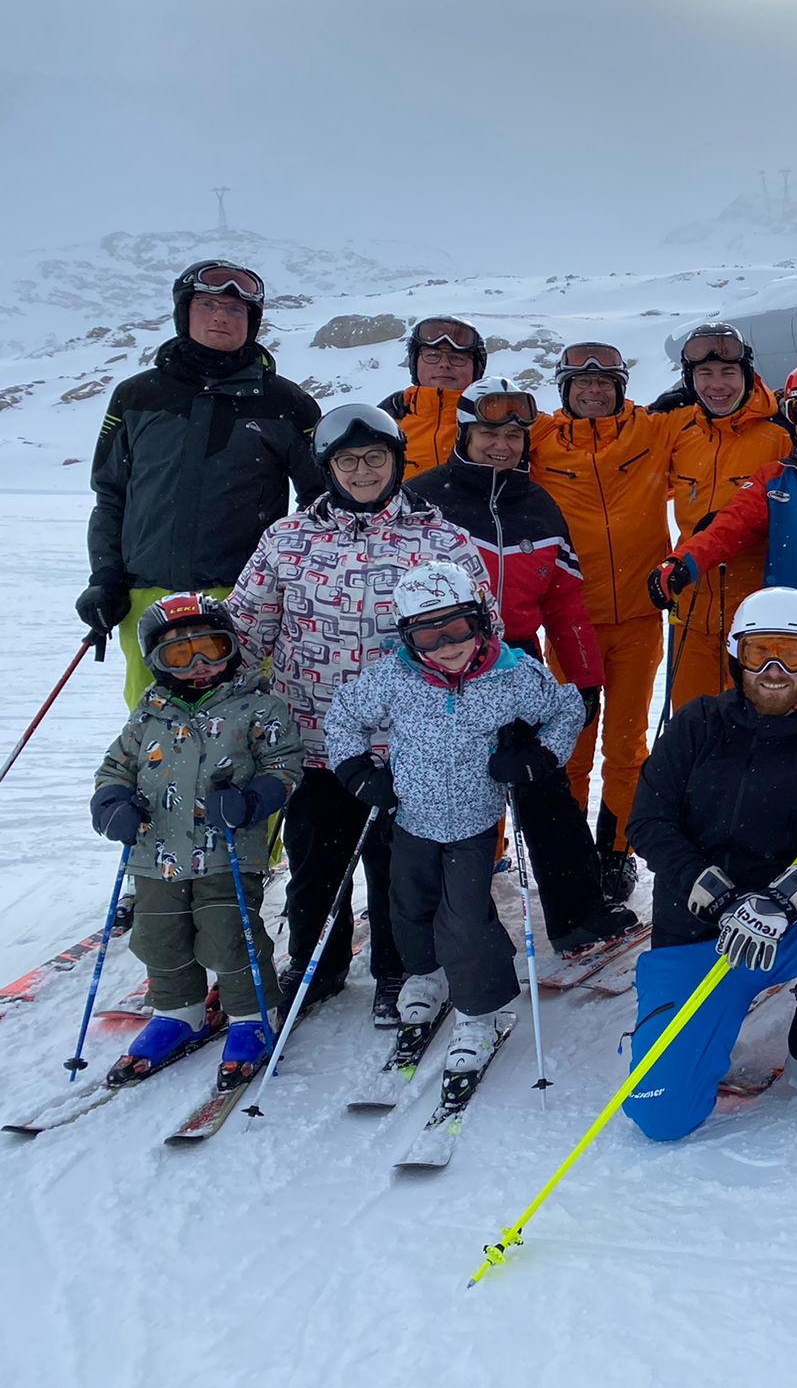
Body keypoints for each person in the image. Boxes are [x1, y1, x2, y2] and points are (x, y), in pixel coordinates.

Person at [226, 404, 496, 1023]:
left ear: (398, 460)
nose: (363, 470)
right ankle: (315, 965)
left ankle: (399, 968)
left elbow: (483, 636)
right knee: (316, 859)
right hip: (314, 735)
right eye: (347, 460)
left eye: (376, 457)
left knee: (400, 866)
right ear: (327, 469)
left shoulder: (442, 540)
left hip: (412, 744)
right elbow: (246, 630)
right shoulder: (288, 540)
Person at [622, 589, 797, 1142]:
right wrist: (721, 899)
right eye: (758, 653)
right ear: (736, 657)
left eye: (791, 654)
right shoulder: (696, 724)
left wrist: (781, 902)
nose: (774, 671)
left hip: (778, 933)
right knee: (662, 1118)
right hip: (697, 941)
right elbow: (649, 822)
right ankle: (689, 1034)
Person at [408, 373, 635, 952]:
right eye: (489, 433)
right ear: (464, 433)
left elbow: (565, 603)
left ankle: (578, 914)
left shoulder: (538, 504)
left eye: (514, 435)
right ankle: (431, 924)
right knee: (444, 794)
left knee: (543, 784)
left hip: (515, 665)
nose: (502, 445)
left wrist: (584, 678)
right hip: (438, 666)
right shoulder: (424, 500)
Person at [326, 563, 583, 1072]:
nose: (446, 646)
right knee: (408, 905)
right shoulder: (394, 677)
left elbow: (566, 709)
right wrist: (357, 772)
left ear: (481, 620)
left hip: (474, 820)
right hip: (410, 815)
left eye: (458, 628)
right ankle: (426, 974)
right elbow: (344, 716)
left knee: (465, 917)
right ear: (407, 636)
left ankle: (478, 1009)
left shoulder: (512, 675)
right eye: (428, 635)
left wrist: (538, 756)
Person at [79, 260, 321, 707]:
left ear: (252, 321)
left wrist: (300, 582)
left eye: (235, 309)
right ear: (184, 313)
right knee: (155, 723)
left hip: (247, 597)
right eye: (208, 305)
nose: (221, 317)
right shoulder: (136, 396)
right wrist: (105, 578)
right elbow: (110, 494)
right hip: (147, 593)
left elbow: (319, 503)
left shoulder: (287, 403)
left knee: (247, 723)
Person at [89, 594, 303, 1084]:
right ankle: (178, 1011)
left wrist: (254, 800)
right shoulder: (149, 712)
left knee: (229, 936)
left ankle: (251, 1015)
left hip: (227, 850)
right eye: (180, 655)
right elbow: (115, 767)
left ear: (232, 648)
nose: (200, 664)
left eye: (212, 648)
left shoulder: (257, 705)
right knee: (158, 937)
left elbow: (285, 763)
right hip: (154, 852)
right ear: (157, 661)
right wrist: (111, 804)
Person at [529, 342, 695, 902]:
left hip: (640, 618)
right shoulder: (541, 439)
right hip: (570, 621)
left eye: (604, 383)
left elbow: (722, 414)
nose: (594, 391)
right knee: (571, 744)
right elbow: (484, 441)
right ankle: (569, 848)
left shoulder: (653, 430)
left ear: (622, 387)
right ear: (565, 390)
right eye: (582, 383)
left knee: (626, 747)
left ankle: (615, 851)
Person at [649, 361, 797, 736]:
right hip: (784, 642)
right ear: (789, 417)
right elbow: (729, 526)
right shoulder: (774, 478)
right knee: (778, 740)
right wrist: (683, 562)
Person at [659, 323, 792, 711]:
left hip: (755, 615)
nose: (717, 385)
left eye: (728, 373)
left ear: (747, 374)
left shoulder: (780, 435)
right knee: (692, 722)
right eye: (705, 373)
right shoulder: (679, 430)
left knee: (755, 722)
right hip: (691, 610)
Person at [377, 317, 488, 480]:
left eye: (457, 358)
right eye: (432, 355)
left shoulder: (502, 423)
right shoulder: (383, 424)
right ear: (415, 363)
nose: (444, 364)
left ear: (476, 369)